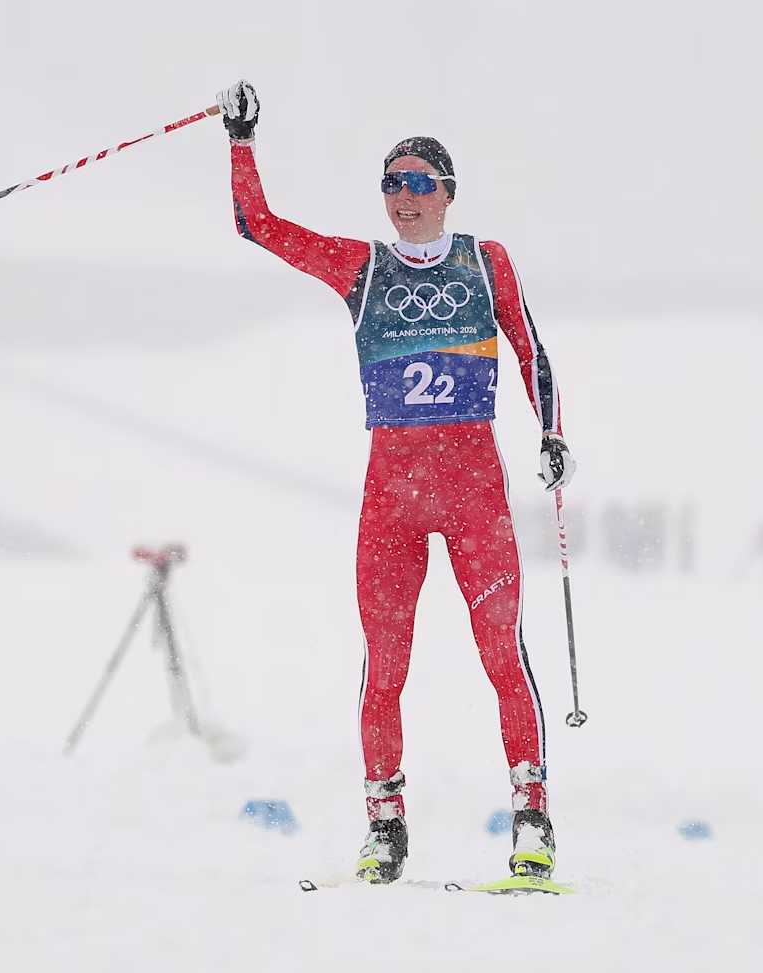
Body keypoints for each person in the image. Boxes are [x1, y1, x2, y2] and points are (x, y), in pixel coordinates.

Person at [217, 80, 576, 883]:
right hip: (393, 501)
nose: (403, 197)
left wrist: (552, 433)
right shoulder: (362, 268)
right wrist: (241, 141)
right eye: (391, 183)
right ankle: (385, 829)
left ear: (448, 192)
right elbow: (257, 225)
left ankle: (532, 821)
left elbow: (531, 350)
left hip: (476, 494)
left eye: (418, 182)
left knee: (503, 656)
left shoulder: (486, 261)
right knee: (385, 667)